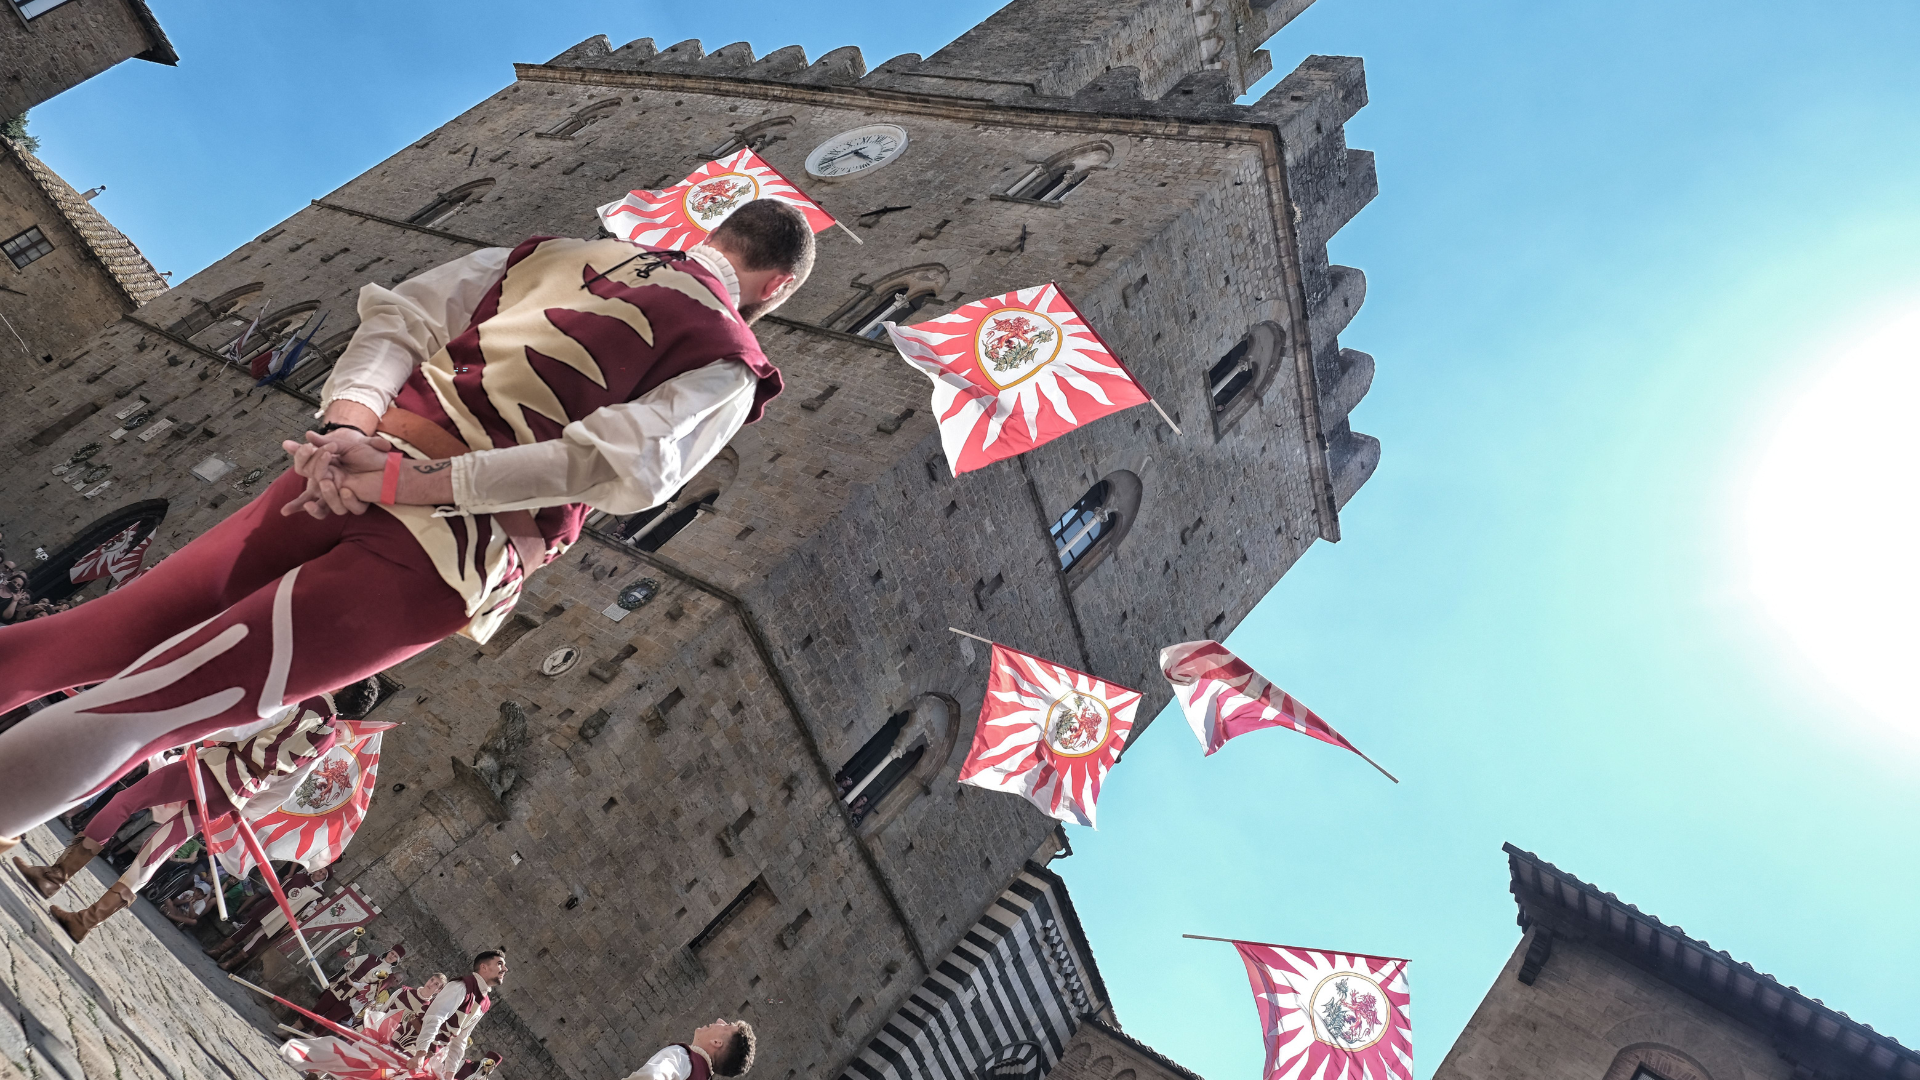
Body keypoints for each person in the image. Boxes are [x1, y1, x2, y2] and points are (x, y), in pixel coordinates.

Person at [0, 200, 812, 853]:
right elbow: (611, 467)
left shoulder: (548, 253)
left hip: (333, 474)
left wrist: (349, 428)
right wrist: (418, 482)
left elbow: (398, 323)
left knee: (81, 640)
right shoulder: (730, 362)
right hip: (444, 553)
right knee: (155, 711)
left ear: (710, 233)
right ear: (773, 287)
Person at [10, 690, 351, 942]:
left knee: (127, 801)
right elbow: (287, 787)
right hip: (238, 791)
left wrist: (196, 734)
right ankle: (87, 919)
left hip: (214, 769)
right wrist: (246, 807)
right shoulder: (328, 737)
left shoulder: (300, 697)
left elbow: (241, 729)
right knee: (159, 849)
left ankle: (56, 875)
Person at [403, 950, 509, 1078]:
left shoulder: (484, 1003)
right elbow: (435, 1017)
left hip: (426, 1054)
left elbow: (460, 1039)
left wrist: (450, 1075)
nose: (505, 969)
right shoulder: (461, 986)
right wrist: (420, 1053)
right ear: (484, 967)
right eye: (499, 964)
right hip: (408, 1043)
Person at [623, 1019, 756, 1080]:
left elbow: (651, 1076)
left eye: (726, 1026)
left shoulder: (683, 1058)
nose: (719, 1020)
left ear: (716, 1042)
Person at [315, 943, 406, 1026]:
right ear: (388, 952)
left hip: (352, 1000)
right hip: (341, 987)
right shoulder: (369, 957)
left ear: (396, 961)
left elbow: (372, 990)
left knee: (327, 1022)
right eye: (392, 953)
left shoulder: (388, 975)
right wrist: (349, 973)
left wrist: (353, 984)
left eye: (395, 956)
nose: (392, 956)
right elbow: (351, 964)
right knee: (316, 1010)